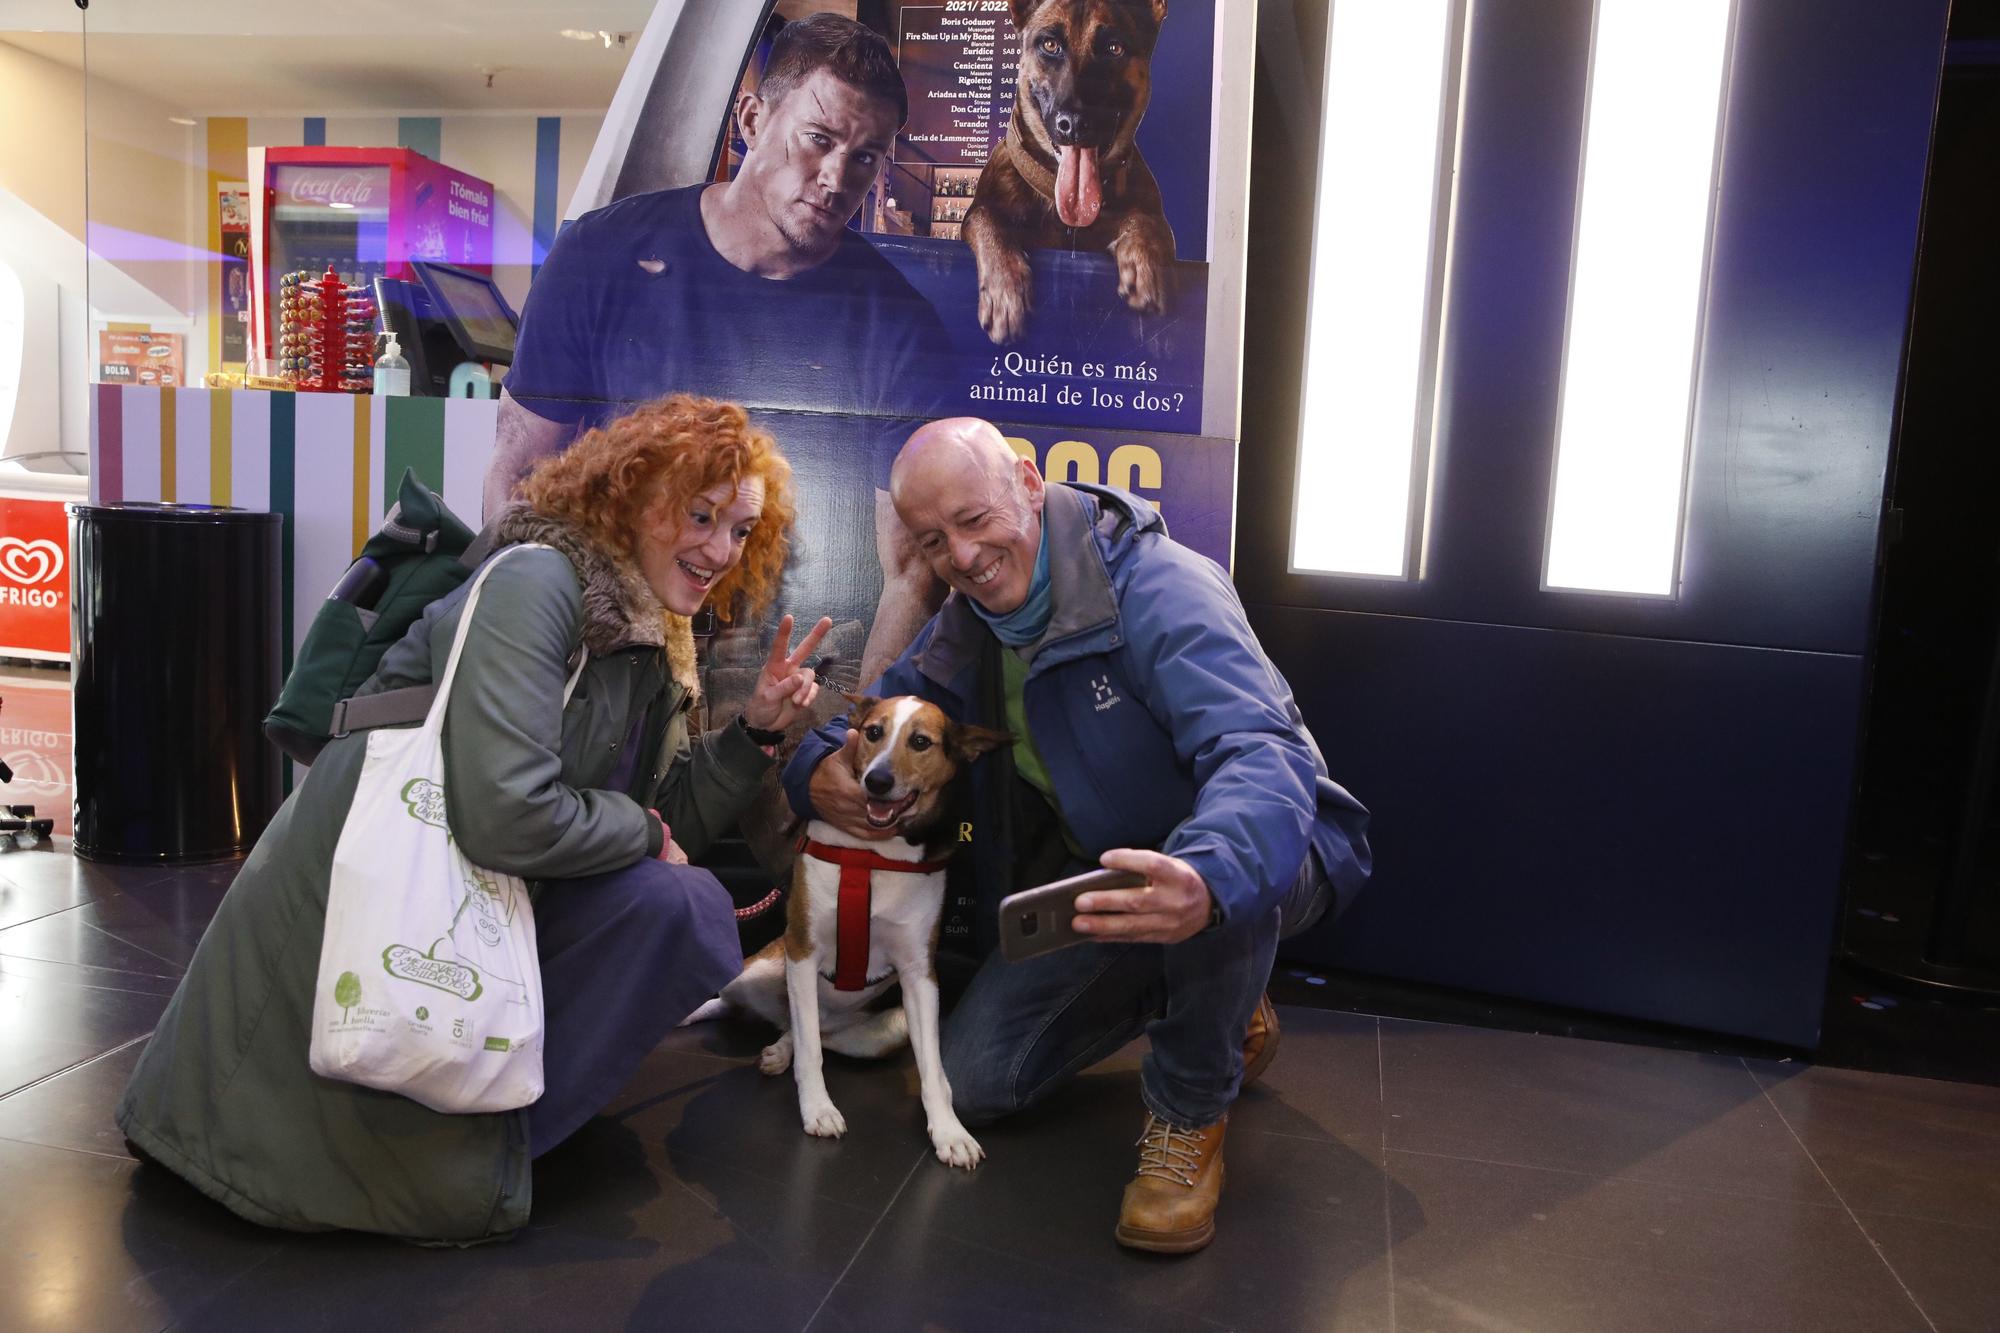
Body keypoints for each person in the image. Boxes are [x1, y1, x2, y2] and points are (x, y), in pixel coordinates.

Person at [118, 395, 833, 1242]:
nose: (721, 548)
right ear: (632, 495)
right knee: (677, 898)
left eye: (741, 529)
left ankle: (484, 1127)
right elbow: (510, 814)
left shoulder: (648, 633)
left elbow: (662, 814)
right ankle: (447, 1144)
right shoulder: (538, 579)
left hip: (477, 886)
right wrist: (642, 832)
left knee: (686, 908)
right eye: (701, 514)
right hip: (370, 888)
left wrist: (753, 729)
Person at [782, 417, 1372, 1254]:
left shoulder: (1163, 587)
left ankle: (1189, 1111)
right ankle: (1225, 1003)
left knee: (1212, 889)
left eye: (974, 518)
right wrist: (808, 766)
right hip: (1108, 877)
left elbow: (1260, 754)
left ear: (1027, 481)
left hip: (1271, 845)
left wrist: (1207, 878)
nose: (963, 555)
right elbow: (881, 710)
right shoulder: (973, 618)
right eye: (932, 540)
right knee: (977, 1082)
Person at [483, 11, 951, 685]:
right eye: (817, 139)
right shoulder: (599, 254)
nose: (836, 178)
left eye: (866, 157)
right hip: (612, 635)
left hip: (804, 660)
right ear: (753, 120)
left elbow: (909, 572)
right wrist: (526, 650)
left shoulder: (900, 325)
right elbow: (517, 474)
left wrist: (855, 734)